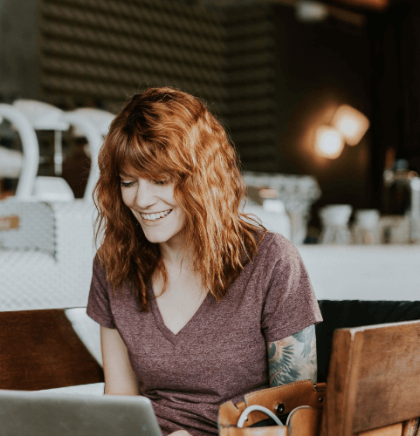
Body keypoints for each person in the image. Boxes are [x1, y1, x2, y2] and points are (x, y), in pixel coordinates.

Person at [86, 87, 322, 436]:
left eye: (161, 180)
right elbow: (119, 404)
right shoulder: (113, 266)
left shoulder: (271, 262)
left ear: (201, 179)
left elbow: (300, 421)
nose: (141, 199)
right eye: (128, 182)